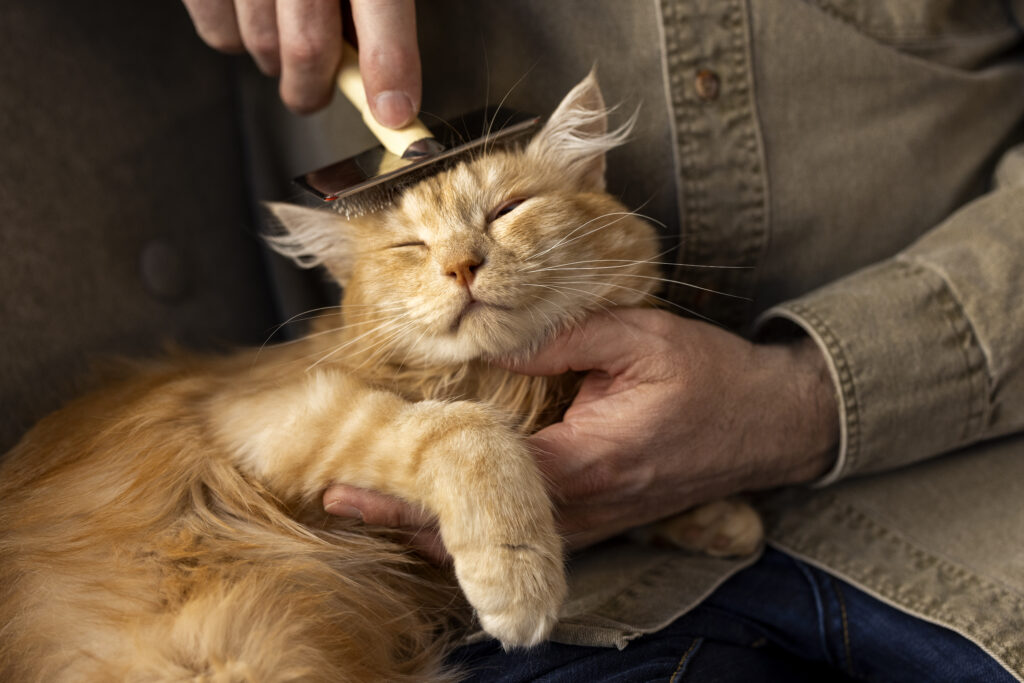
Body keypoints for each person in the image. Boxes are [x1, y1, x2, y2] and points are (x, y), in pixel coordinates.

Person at [189, 1, 1024, 680]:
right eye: (415, 251)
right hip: (574, 603)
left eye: (506, 214)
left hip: (955, 484)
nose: (460, 263)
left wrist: (804, 394)